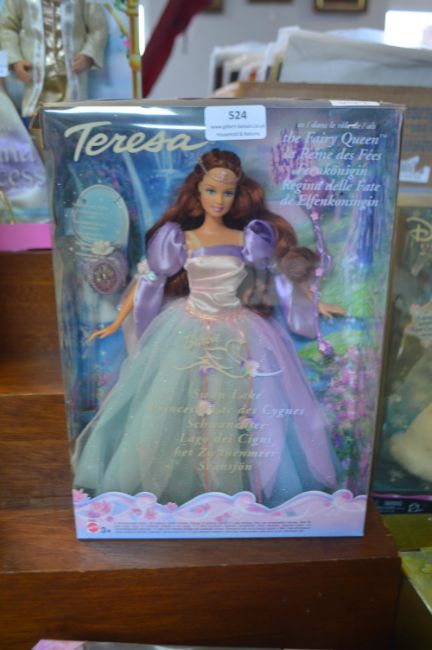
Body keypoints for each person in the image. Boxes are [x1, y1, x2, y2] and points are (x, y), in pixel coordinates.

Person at [73, 149, 345, 507]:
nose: (219, 200)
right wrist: (117, 322)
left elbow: (277, 276)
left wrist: (312, 303)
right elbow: (149, 279)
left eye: (228, 192)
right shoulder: (179, 238)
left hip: (238, 331)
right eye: (212, 190)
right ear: (197, 191)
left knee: (242, 408)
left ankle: (233, 497)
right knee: (170, 406)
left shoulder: (247, 238)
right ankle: (181, 493)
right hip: (187, 326)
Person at [0, 0, 108, 117]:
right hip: (33, 73)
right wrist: (15, 59)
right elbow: (6, 27)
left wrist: (88, 54)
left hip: (72, 73)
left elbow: (98, 28)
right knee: (36, 116)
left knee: (72, 116)